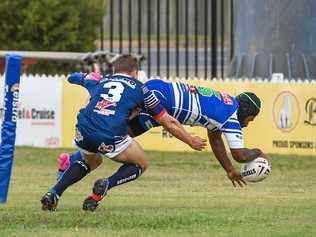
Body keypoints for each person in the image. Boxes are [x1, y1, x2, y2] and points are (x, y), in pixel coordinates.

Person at [40, 55, 206, 212]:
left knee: (92, 161)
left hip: (84, 128)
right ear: (134, 72)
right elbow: (168, 121)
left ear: (115, 70)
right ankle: (107, 184)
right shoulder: (142, 89)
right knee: (141, 164)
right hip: (109, 133)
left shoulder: (101, 80)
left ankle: (54, 193)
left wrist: (86, 77)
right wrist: (190, 140)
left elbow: (72, 78)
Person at [57, 78, 266, 192]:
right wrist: (259, 153)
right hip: (163, 100)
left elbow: (215, 138)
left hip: (161, 89)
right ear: (247, 112)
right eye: (250, 119)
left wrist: (229, 170)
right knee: (112, 132)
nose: (247, 124)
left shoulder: (227, 103)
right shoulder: (231, 116)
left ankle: (70, 161)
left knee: (112, 133)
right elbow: (239, 154)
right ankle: (79, 165)